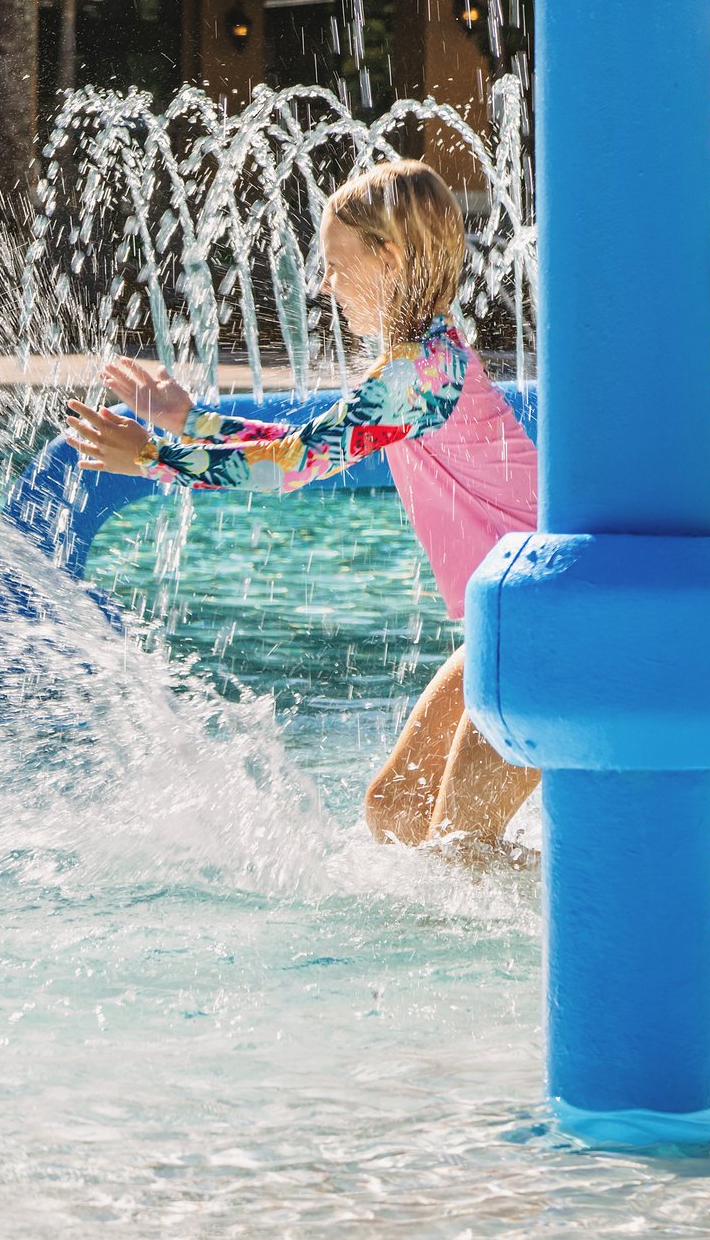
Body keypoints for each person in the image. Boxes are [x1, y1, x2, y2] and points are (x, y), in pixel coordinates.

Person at [60, 161, 541, 851]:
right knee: (396, 814)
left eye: (336, 265)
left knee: (462, 846)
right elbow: (296, 446)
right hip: (513, 617)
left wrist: (148, 457)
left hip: (545, 624)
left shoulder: (420, 373)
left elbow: (285, 469)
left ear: (391, 257)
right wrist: (188, 420)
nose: (324, 285)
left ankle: (586, 918)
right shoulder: (420, 362)